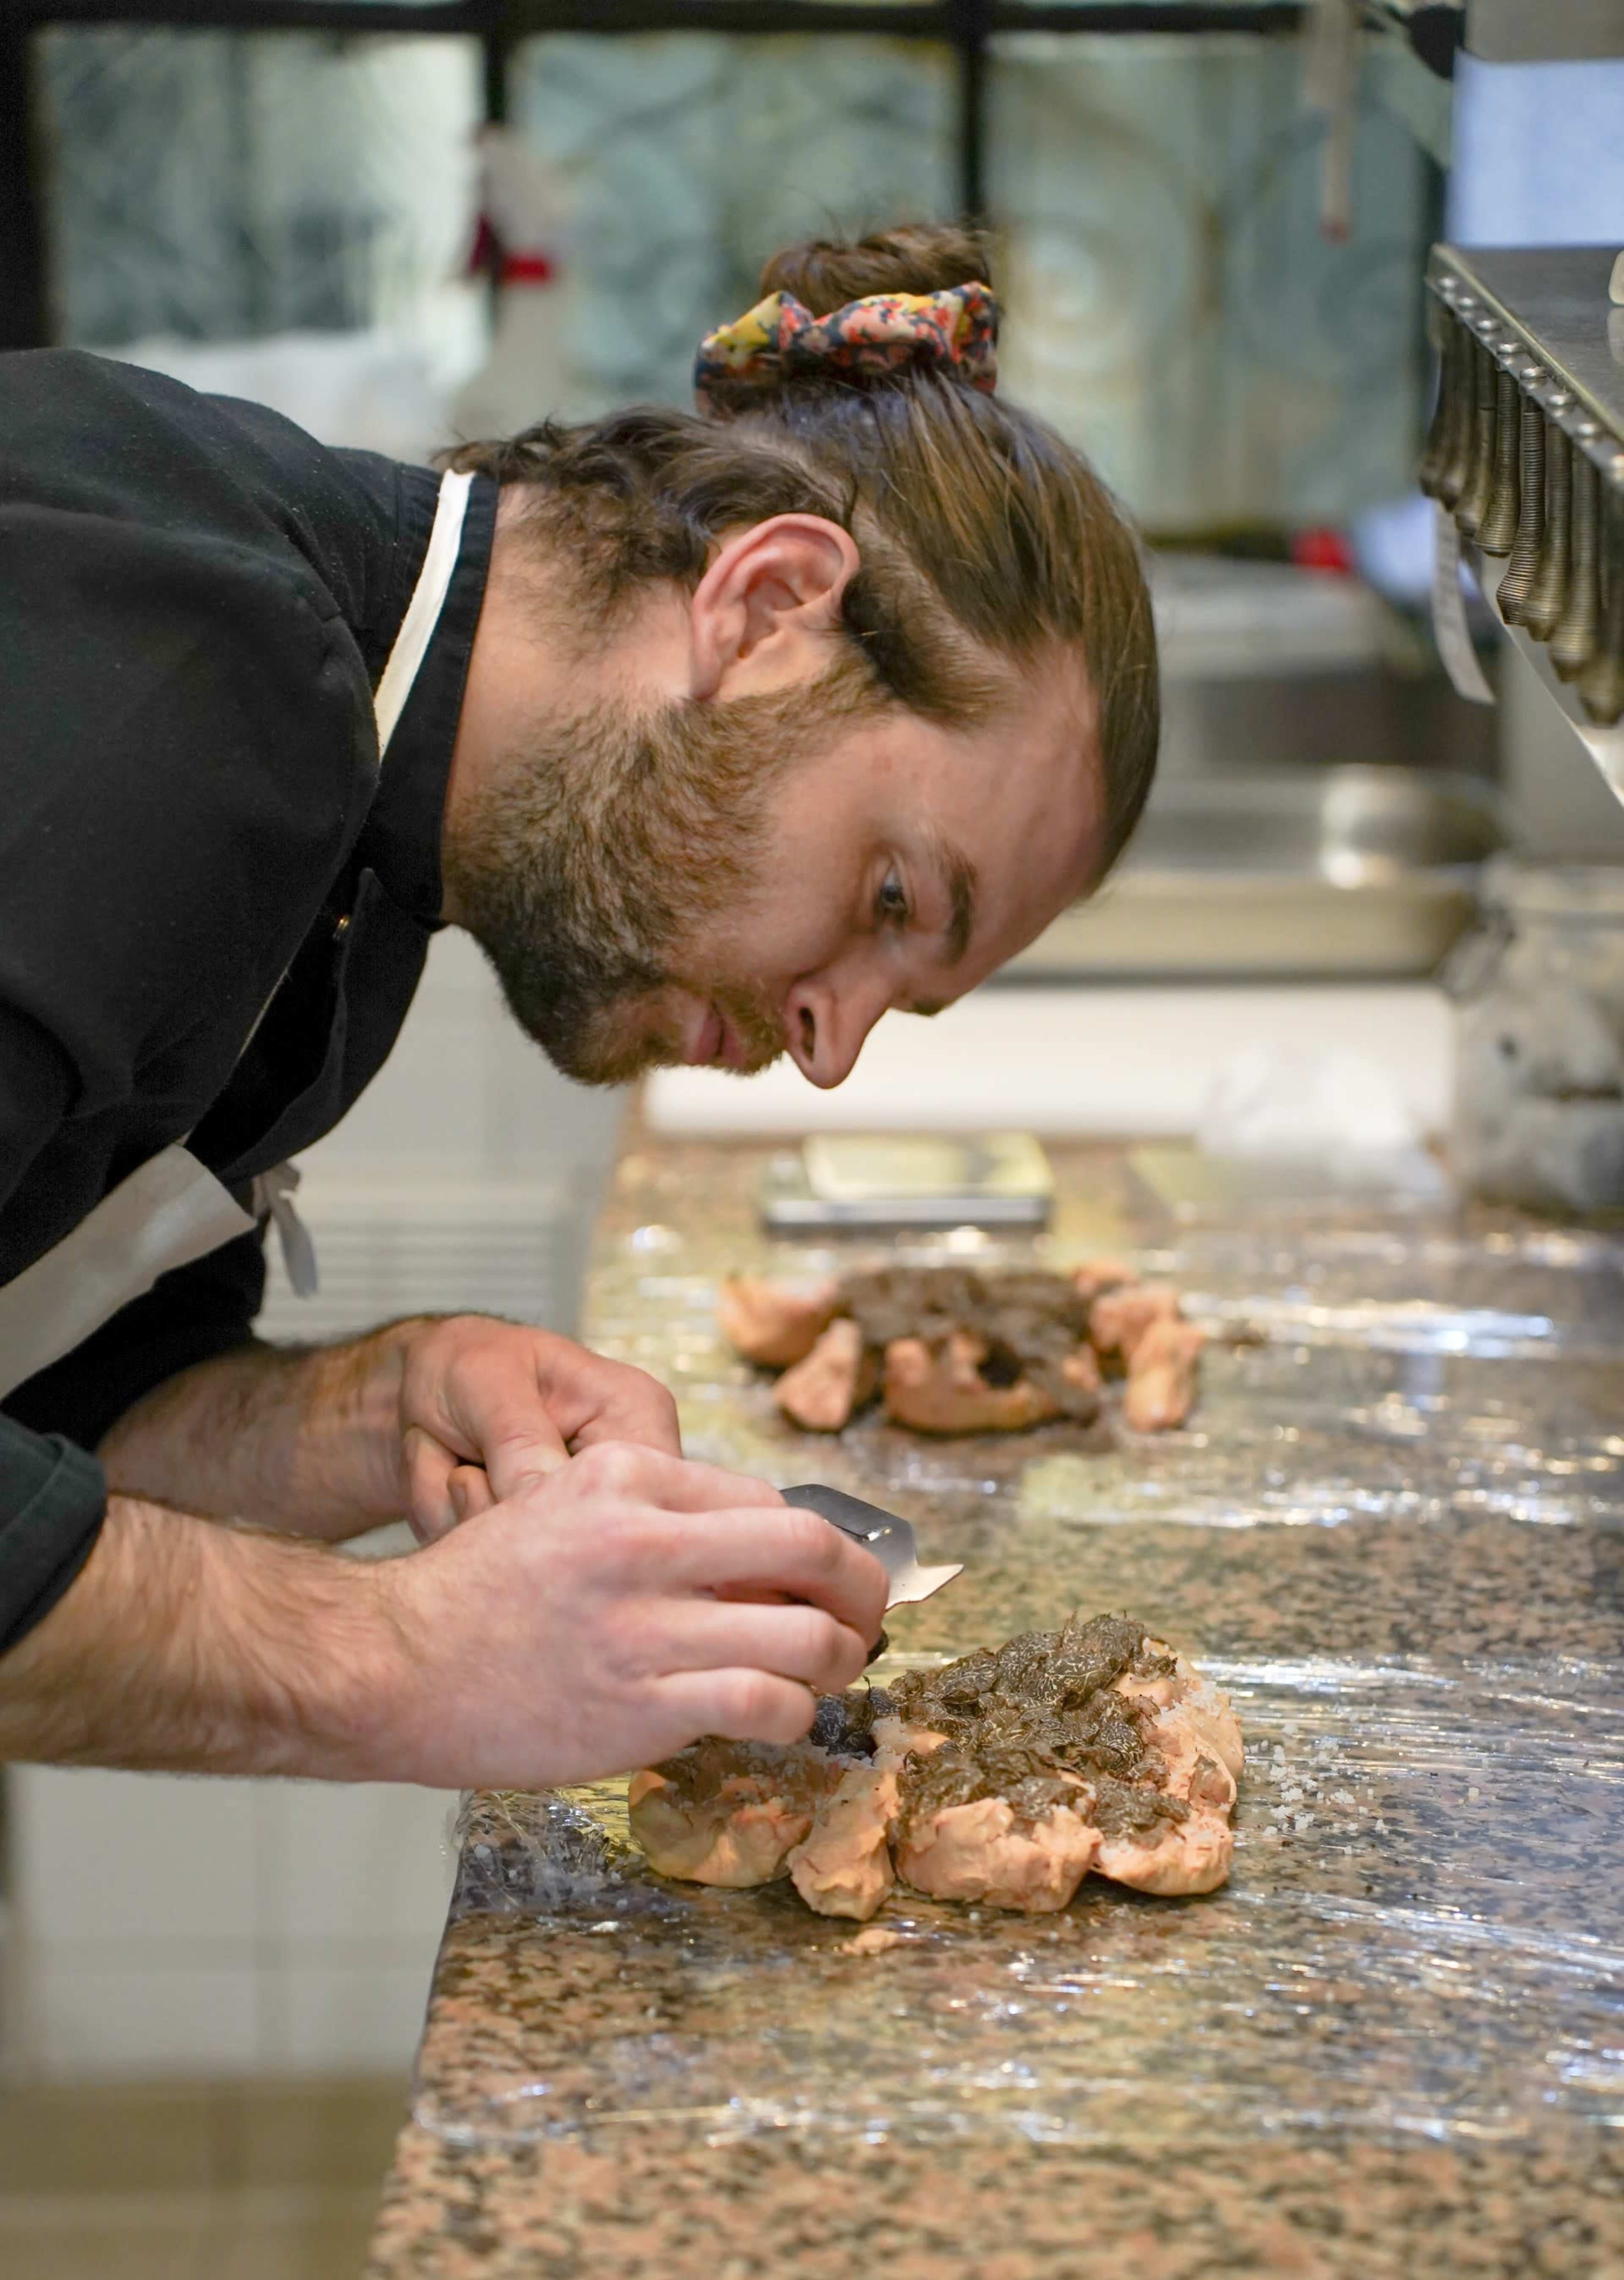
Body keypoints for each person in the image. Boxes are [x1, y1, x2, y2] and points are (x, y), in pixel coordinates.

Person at [0, 223, 1158, 1791]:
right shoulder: (190, 666)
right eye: (891, 899)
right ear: (761, 611)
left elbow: (59, 1426)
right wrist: (398, 1655)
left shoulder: (371, 867)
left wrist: (363, 1405)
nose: (826, 1051)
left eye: (908, 1000)